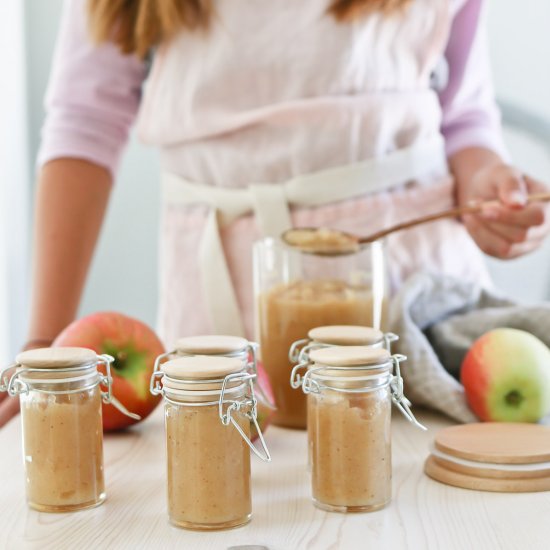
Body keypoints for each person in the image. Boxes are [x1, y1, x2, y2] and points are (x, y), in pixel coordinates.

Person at [1, 0, 548, 425]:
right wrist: (46, 340)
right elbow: (84, 124)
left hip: (415, 310)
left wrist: (484, 182)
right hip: (219, 307)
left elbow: (464, 114)